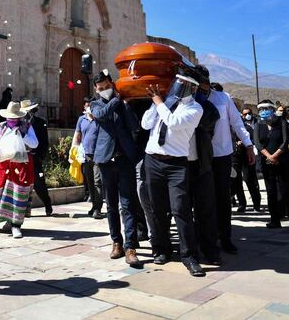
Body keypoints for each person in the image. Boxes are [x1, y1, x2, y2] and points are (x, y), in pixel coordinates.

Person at [141, 74, 206, 277]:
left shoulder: (195, 109)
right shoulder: (163, 102)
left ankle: (189, 256)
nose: (179, 86)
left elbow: (173, 122)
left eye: (184, 84)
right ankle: (162, 249)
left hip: (176, 164)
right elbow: (145, 124)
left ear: (193, 89)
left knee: (181, 209)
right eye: (177, 82)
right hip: (153, 160)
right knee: (157, 208)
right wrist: (156, 104)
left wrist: (159, 102)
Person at [89, 70, 142, 267]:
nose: (104, 91)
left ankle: (130, 247)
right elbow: (102, 115)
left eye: (106, 87)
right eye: (100, 89)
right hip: (105, 161)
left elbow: (135, 125)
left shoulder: (123, 104)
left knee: (127, 204)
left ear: (112, 84)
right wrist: (116, 100)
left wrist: (125, 105)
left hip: (125, 160)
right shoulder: (96, 105)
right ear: (96, 89)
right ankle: (116, 242)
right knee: (111, 204)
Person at [208, 81, 255, 254]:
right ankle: (206, 239)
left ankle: (225, 238)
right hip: (198, 156)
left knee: (223, 199)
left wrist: (249, 145)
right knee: (203, 201)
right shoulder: (190, 97)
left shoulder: (223, 98)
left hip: (221, 155)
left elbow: (237, 123)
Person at [0, 101, 39, 238]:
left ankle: (16, 225)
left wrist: (22, 136)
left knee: (17, 193)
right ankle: (7, 221)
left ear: (19, 117)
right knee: (2, 192)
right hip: (3, 164)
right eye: (10, 117)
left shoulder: (26, 127)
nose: (12, 120)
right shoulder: (0, 127)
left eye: (14, 117)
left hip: (21, 164)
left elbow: (34, 144)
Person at [188, 66, 222, 265]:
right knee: (183, 211)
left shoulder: (209, 110)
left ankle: (210, 249)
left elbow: (206, 125)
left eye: (203, 89)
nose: (200, 92)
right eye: (196, 88)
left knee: (206, 209)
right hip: (181, 165)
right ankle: (189, 250)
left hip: (202, 164)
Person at [253, 101, 289, 228]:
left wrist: (275, 156)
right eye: (261, 109)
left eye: (266, 108)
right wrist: (269, 156)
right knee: (271, 192)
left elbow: (285, 142)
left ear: (272, 109)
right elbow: (257, 143)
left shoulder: (282, 123)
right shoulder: (258, 125)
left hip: (282, 161)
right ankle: (274, 220)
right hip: (266, 162)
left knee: (285, 191)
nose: (263, 111)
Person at [73, 98, 104, 218]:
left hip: (98, 155)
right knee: (89, 182)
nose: (88, 109)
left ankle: (98, 208)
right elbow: (78, 135)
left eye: (90, 106)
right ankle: (94, 206)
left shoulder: (100, 120)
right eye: (87, 106)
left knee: (97, 182)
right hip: (85, 155)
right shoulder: (81, 119)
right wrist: (74, 150)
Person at [23, 100, 53, 216]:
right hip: (21, 158)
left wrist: (40, 157)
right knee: (22, 184)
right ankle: (24, 209)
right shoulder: (18, 122)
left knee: (39, 184)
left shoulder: (40, 123)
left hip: (35, 158)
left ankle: (47, 204)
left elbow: (44, 142)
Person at [232, 107, 261, 213]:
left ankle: (256, 204)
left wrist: (244, 143)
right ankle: (242, 204)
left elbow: (253, 140)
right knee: (236, 181)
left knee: (250, 180)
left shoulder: (247, 129)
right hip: (234, 157)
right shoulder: (228, 130)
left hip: (246, 156)